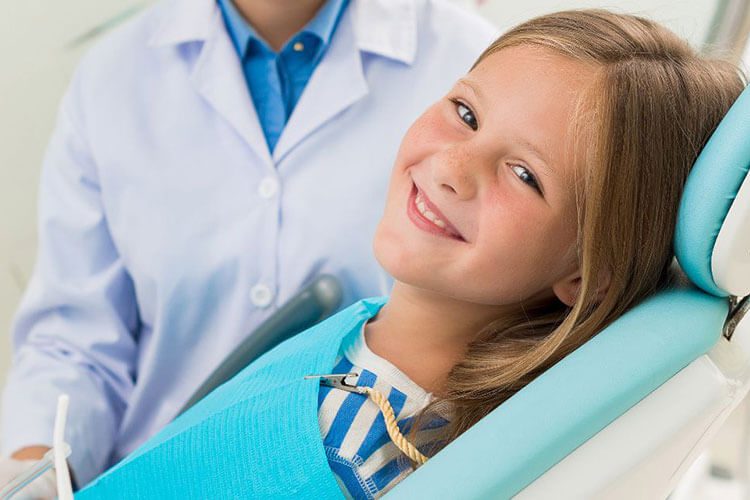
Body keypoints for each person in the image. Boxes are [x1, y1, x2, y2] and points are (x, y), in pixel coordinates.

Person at [70, 9, 745, 499]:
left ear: (584, 275)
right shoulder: (364, 349)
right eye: (467, 113)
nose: (454, 166)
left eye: (525, 175)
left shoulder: (353, 456)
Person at [0, 0, 498, 494]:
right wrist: (34, 474)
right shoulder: (111, 78)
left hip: (360, 472)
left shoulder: (467, 64)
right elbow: (75, 342)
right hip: (153, 474)